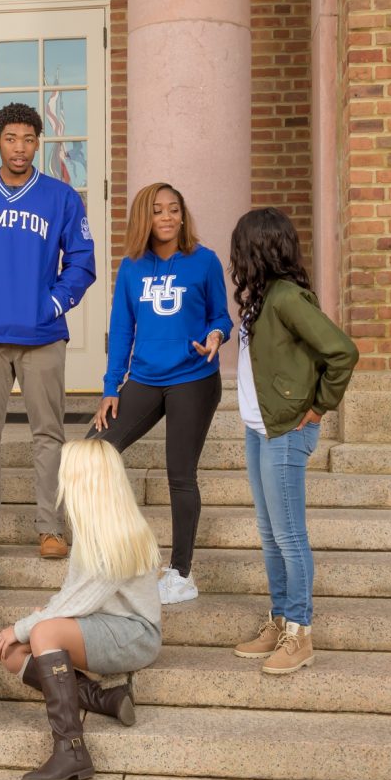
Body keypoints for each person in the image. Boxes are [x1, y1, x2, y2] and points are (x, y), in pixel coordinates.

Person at [0, 101, 97, 562]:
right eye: (11, 138)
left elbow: (81, 261)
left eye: (28, 139)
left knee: (48, 433)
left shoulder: (61, 198)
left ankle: (50, 527)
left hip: (42, 334)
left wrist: (54, 303)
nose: (20, 148)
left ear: (38, 143)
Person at [226, 208, 359, 677]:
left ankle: (300, 632)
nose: (234, 257)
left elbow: (342, 351)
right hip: (260, 428)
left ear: (257, 249)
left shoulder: (286, 297)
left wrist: (318, 407)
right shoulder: (262, 299)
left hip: (286, 431)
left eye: (240, 247)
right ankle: (281, 618)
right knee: (270, 534)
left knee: (289, 535)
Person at [0, 438, 160, 780]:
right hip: (102, 623)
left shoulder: (119, 534)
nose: (61, 479)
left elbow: (78, 602)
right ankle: (106, 698)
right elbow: (73, 594)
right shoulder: (91, 526)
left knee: (41, 632)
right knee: (11, 654)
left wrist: (28, 626)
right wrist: (45, 617)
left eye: (66, 472)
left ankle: (71, 749)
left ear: (85, 479)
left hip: (135, 634)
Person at [91, 182, 230, 605]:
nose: (167, 217)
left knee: (180, 474)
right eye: (157, 210)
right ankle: (116, 554)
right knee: (93, 451)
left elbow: (221, 315)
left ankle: (181, 574)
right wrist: (112, 386)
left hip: (193, 377)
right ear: (144, 218)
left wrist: (216, 335)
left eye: (174, 209)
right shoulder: (132, 267)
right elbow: (122, 330)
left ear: (183, 215)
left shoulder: (204, 261)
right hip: (146, 377)